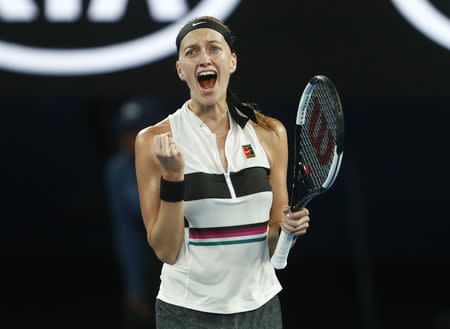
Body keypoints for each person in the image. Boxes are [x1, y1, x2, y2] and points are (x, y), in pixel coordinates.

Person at [135, 16, 310, 329]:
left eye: (214, 48)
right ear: (180, 69)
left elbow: (272, 238)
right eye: (191, 52)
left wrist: (287, 230)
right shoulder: (154, 141)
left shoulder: (270, 134)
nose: (204, 58)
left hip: (262, 309)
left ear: (231, 62)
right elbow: (165, 250)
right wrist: (174, 179)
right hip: (187, 312)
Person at [105, 98, 164, 329]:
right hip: (149, 254)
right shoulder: (117, 170)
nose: (130, 141)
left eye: (137, 133)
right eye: (125, 133)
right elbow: (126, 232)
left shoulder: (181, 162)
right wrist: (133, 288)